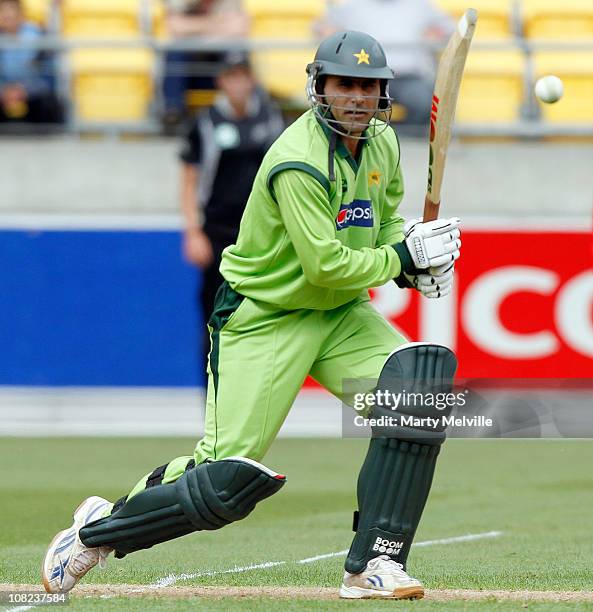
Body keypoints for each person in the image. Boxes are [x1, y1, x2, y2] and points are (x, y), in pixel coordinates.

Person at [42, 31, 462, 600]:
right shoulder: (298, 160)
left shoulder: (382, 144)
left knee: (418, 390)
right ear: (321, 88)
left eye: (369, 86)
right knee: (223, 481)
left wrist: (411, 251)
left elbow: (379, 224)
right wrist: (400, 260)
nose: (358, 97)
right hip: (265, 317)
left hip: (338, 316)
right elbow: (323, 264)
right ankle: (97, 530)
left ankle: (374, 565)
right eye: (346, 85)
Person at [179, 50, 284, 374]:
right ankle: (212, 401)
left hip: (259, 236)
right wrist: (193, 230)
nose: (238, 84)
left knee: (259, 319)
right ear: (221, 81)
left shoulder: (269, 118)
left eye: (243, 76)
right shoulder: (207, 122)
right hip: (217, 233)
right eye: (231, 77)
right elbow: (189, 179)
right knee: (214, 321)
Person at [320, 0, 453, 127]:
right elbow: (322, 27)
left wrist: (437, 32)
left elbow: (449, 29)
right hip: (364, 77)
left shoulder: (420, 4)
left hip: (409, 78)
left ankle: (403, 141)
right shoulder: (353, 4)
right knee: (355, 102)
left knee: (423, 102)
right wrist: (332, 34)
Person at [161, 0, 249, 128]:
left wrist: (192, 28)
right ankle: (173, 112)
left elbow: (239, 28)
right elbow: (173, 27)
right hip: (189, 72)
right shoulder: (180, 3)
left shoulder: (230, 2)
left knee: (235, 53)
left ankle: (241, 112)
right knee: (175, 52)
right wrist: (218, 25)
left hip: (218, 63)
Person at [0, 0, 62, 125]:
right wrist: (4, 91)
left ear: (21, 14)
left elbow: (48, 74)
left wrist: (24, 90)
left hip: (33, 94)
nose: (7, 16)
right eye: (3, 12)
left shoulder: (39, 36)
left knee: (49, 103)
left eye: (11, 12)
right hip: (4, 93)